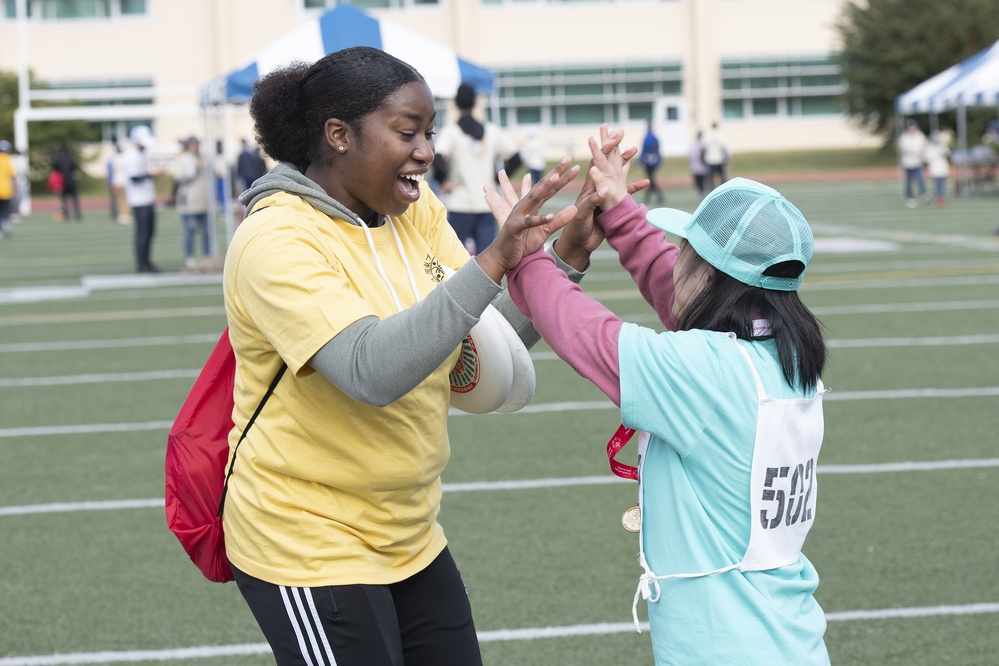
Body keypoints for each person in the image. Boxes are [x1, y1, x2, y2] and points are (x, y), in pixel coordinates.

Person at [222, 45, 583, 665]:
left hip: (408, 528)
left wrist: (567, 257)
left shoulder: (414, 212)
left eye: (430, 132)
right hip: (309, 538)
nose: (426, 151)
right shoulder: (276, 237)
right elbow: (371, 371)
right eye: (407, 132)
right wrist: (494, 261)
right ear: (338, 135)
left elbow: (479, 342)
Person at [491, 125, 830, 665]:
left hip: (726, 650)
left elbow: (584, 333)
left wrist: (530, 256)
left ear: (713, 277)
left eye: (685, 251)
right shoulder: (783, 357)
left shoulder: (705, 374)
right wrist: (619, 208)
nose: (674, 258)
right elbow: (680, 295)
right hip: (787, 640)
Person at [433, 81, 520, 254]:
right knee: (487, 262)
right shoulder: (491, 131)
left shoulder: (451, 132)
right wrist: (496, 178)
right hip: (486, 204)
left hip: (460, 204)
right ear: (476, 103)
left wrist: (443, 179)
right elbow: (516, 158)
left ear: (455, 103)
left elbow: (437, 159)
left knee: (451, 259)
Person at [121, 125, 159, 273]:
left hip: (147, 199)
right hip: (139, 201)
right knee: (142, 233)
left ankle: (147, 262)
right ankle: (141, 264)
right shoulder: (131, 156)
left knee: (149, 232)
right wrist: (152, 174)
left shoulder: (141, 154)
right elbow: (135, 178)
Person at [170, 136, 211, 268]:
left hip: (204, 202)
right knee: (190, 231)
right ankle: (190, 257)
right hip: (190, 203)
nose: (196, 147)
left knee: (207, 232)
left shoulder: (204, 158)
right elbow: (180, 178)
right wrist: (194, 169)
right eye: (193, 145)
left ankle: (207, 257)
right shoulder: (183, 159)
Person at [898, 119, 929, 208]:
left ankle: (923, 194)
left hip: (918, 163)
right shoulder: (904, 137)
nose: (912, 130)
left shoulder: (920, 136)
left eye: (913, 128)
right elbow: (903, 149)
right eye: (910, 128)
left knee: (920, 179)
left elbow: (924, 149)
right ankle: (909, 198)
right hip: (907, 163)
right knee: (908, 182)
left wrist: (924, 158)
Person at [52, 142, 82, 221]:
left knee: (63, 199)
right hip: (71, 180)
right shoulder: (71, 158)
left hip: (62, 181)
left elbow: (55, 169)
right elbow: (75, 168)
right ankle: (78, 214)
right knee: (74, 198)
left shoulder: (58, 159)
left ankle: (65, 215)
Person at [639, 120, 665, 205]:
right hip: (655, 161)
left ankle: (653, 197)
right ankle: (656, 196)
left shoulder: (646, 137)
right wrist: (659, 160)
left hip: (647, 162)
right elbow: (658, 150)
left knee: (651, 179)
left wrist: (640, 160)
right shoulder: (655, 137)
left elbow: (643, 150)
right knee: (651, 178)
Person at [923, 130, 951, 206]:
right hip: (934, 169)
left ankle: (940, 197)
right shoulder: (929, 147)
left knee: (942, 184)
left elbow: (948, 155)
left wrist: (945, 154)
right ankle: (938, 198)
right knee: (937, 184)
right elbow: (926, 159)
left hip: (942, 169)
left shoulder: (942, 146)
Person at [701, 121, 730, 190]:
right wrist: (727, 159)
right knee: (723, 179)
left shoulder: (707, 135)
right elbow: (724, 148)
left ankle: (712, 191)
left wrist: (703, 159)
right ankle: (723, 191)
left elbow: (704, 148)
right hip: (720, 160)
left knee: (711, 179)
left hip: (710, 160)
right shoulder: (720, 135)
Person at [687, 131, 710, 200]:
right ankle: (703, 194)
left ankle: (701, 193)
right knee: (704, 182)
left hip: (695, 167)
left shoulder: (693, 145)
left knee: (698, 183)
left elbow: (689, 156)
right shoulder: (703, 145)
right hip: (703, 167)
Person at [0, 140, 14, 239]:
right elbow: (11, 175)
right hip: (6, 190)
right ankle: (4, 225)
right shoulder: (8, 159)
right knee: (5, 211)